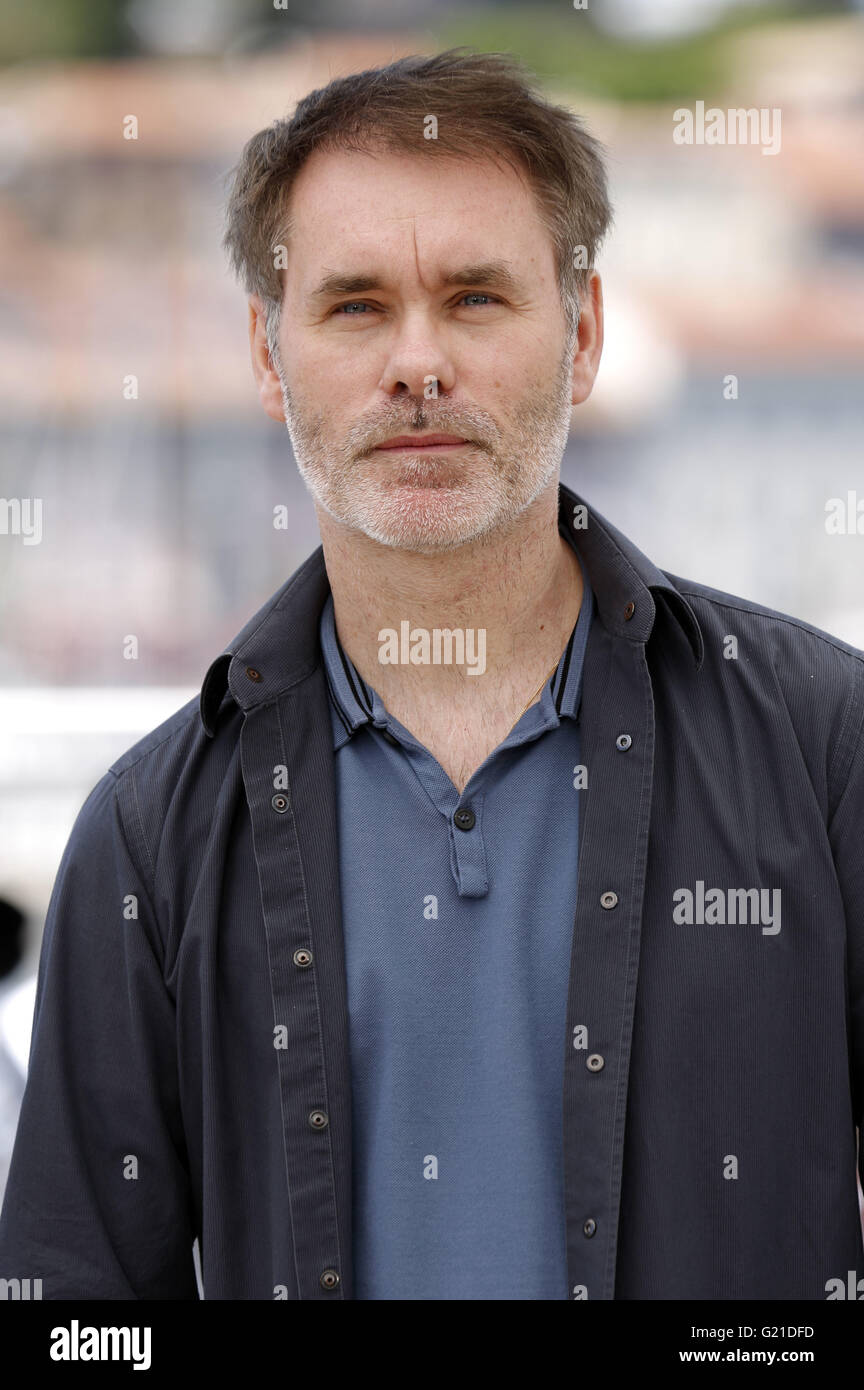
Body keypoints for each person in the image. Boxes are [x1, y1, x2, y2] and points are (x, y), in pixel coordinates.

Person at [1, 48, 862, 1302]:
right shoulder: (147, 840)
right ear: (267, 351)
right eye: (354, 304)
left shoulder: (827, 753)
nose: (418, 363)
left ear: (583, 336)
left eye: (474, 298)